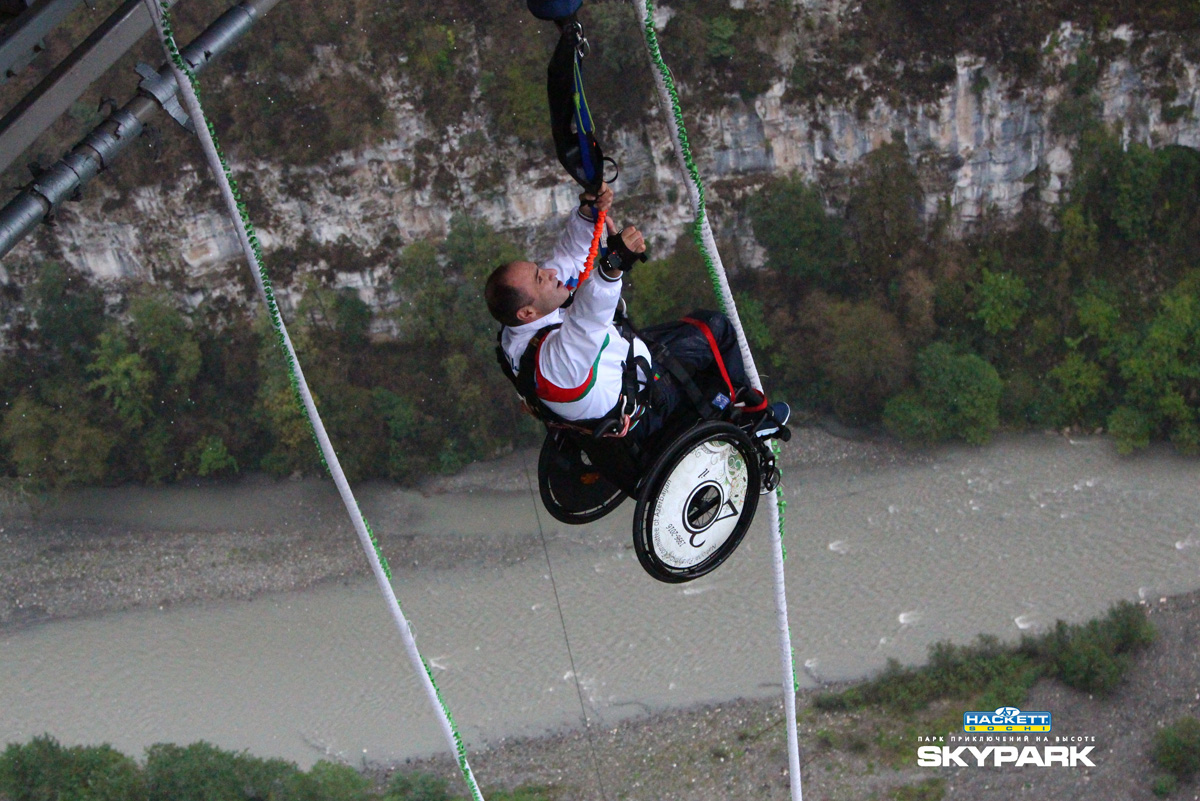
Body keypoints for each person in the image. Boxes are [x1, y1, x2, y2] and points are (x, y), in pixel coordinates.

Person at [484, 182, 789, 447]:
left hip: (618, 367)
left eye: (539, 270)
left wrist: (588, 214)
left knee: (691, 329)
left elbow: (567, 259)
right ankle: (752, 423)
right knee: (714, 329)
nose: (549, 273)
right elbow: (587, 318)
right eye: (540, 278)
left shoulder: (518, 332)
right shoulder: (553, 364)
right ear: (527, 311)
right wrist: (613, 264)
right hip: (645, 404)